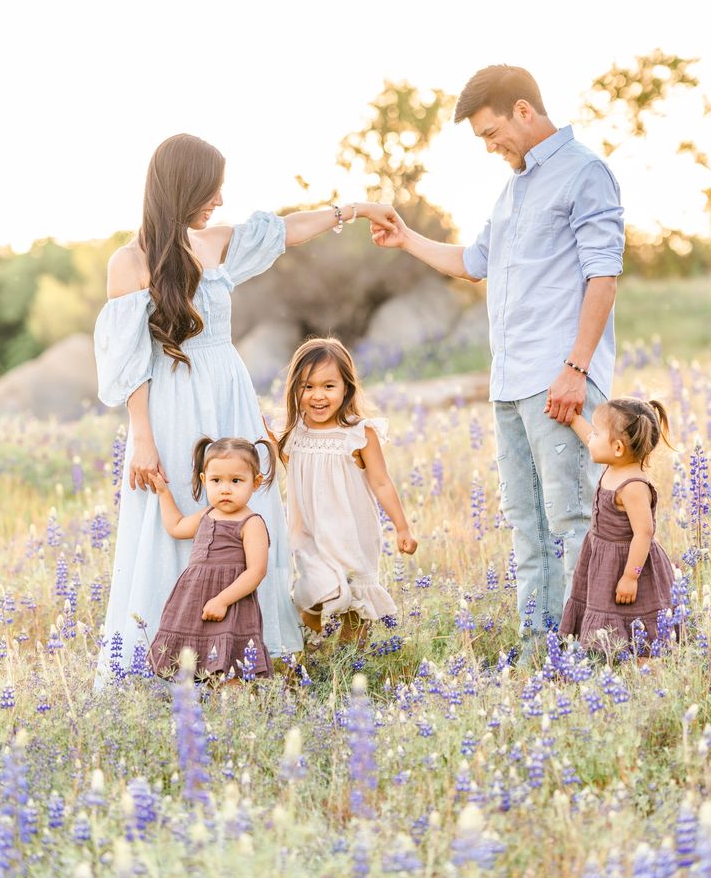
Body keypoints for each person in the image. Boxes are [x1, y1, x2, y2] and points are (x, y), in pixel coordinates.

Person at [93, 132, 395, 681]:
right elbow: (129, 360)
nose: (220, 202)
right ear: (182, 187)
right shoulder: (130, 260)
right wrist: (142, 436)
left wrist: (356, 208)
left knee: (251, 512)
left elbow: (287, 230)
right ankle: (170, 659)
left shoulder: (214, 242)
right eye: (211, 190)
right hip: (171, 402)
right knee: (181, 515)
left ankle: (249, 651)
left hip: (227, 391)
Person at [370, 65, 624, 662]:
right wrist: (407, 239)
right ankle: (542, 653)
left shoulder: (585, 173)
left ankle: (595, 646)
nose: (489, 147)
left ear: (523, 111)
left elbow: (603, 276)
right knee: (525, 525)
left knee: (572, 518)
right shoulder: (512, 187)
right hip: (509, 383)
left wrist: (576, 367)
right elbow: (474, 260)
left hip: (559, 376)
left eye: (491, 133)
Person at [275, 337, 417, 646]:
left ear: (346, 387)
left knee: (355, 605)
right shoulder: (292, 433)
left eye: (329, 386)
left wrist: (402, 527)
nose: (318, 396)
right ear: (294, 389)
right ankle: (308, 654)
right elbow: (291, 473)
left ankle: (350, 664)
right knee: (310, 595)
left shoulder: (359, 433)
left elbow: (381, 481)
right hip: (310, 536)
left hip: (352, 533)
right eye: (307, 387)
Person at [148, 436, 275, 682]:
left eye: (236, 481)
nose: (225, 489)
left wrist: (222, 600)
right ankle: (200, 714)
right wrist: (163, 492)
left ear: (256, 482)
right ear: (205, 481)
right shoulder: (207, 514)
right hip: (194, 599)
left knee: (231, 670)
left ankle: (233, 714)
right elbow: (176, 526)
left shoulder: (252, 522)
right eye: (217, 481)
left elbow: (256, 571)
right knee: (197, 665)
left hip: (232, 603)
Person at [557, 398, 675, 655]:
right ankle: (607, 657)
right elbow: (590, 437)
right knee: (606, 610)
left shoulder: (633, 486)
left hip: (629, 562)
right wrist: (573, 418)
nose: (592, 438)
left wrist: (631, 576)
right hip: (603, 560)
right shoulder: (614, 463)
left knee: (634, 618)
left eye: (599, 434)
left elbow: (644, 533)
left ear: (618, 447)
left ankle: (642, 664)